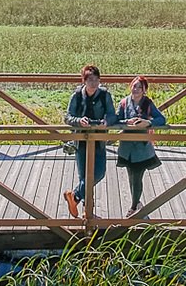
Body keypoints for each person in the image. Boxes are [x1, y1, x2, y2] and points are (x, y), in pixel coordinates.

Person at [63, 64, 117, 218]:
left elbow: (113, 115)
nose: (93, 83)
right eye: (90, 80)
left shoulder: (105, 95)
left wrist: (107, 121)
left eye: (96, 79)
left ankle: (74, 196)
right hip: (81, 140)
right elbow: (68, 117)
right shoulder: (77, 96)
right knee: (85, 177)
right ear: (84, 81)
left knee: (98, 173)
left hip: (99, 140)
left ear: (100, 80)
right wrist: (80, 121)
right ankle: (88, 213)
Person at [115, 75, 166, 217]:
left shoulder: (148, 103)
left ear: (144, 90)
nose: (136, 89)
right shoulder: (124, 102)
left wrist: (147, 123)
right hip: (126, 148)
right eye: (134, 86)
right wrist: (126, 122)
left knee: (137, 176)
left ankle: (133, 208)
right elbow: (116, 120)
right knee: (131, 176)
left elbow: (161, 119)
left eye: (139, 87)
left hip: (142, 148)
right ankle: (137, 203)